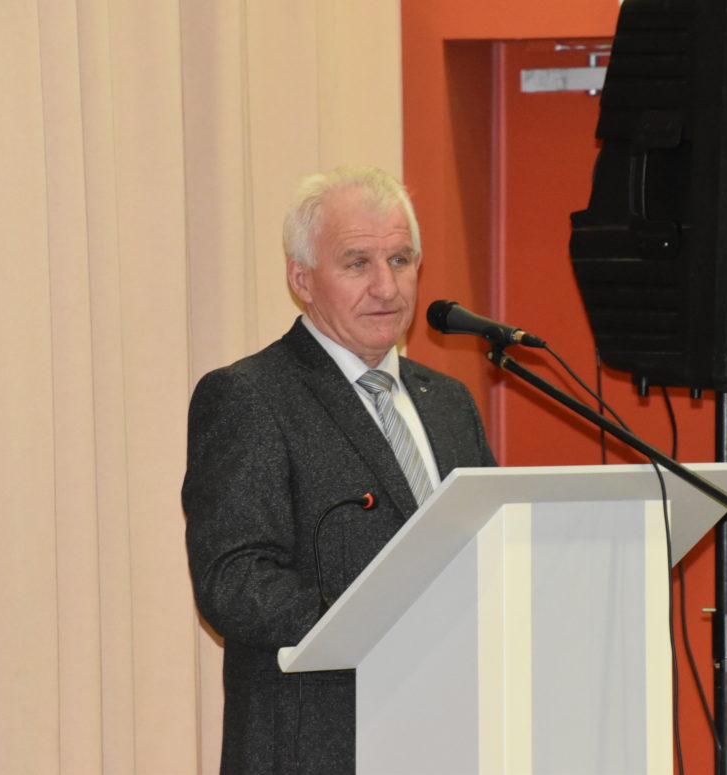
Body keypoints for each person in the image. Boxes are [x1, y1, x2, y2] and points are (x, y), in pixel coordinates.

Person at [182, 166, 497, 774]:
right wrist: (386, 624)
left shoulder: (448, 401)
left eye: (401, 260)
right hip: (317, 742)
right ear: (301, 279)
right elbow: (233, 579)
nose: (387, 287)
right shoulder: (252, 396)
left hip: (451, 732)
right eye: (358, 263)